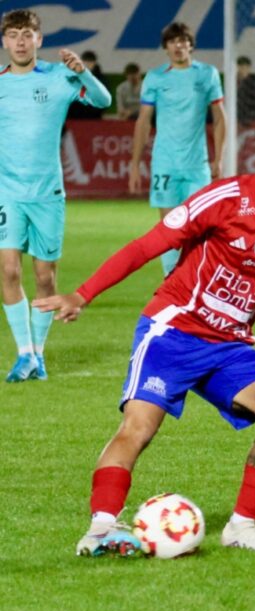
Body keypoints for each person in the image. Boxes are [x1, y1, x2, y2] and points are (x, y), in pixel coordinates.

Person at [34, 118, 255, 557]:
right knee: (139, 426)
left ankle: (242, 526)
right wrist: (83, 294)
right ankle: (101, 528)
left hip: (230, 345)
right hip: (172, 331)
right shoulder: (225, 198)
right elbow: (148, 245)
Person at [0, 9, 111, 383]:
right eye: (12, 34)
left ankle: (39, 354)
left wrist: (82, 72)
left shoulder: (59, 76)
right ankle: (24, 353)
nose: (19, 41)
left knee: (45, 278)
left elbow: (103, 101)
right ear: (4, 41)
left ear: (38, 40)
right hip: (7, 191)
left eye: (26, 34)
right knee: (8, 269)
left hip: (47, 193)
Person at [129, 22, 226, 277]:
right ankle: (171, 281)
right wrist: (134, 162)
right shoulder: (156, 77)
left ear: (191, 45)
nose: (178, 45)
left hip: (197, 166)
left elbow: (219, 118)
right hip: (165, 165)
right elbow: (143, 121)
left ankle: (197, 279)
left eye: (183, 40)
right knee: (170, 227)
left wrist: (219, 158)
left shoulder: (207, 74)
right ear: (166, 47)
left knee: (201, 226)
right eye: (173, 41)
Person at [65, 50, 108, 120]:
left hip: (94, 113)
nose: (88, 64)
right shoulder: (74, 77)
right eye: (85, 61)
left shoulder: (101, 79)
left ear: (94, 63)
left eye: (90, 62)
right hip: (75, 114)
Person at [237, 55, 255, 126]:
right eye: (241, 67)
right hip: (235, 115)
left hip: (248, 118)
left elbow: (254, 102)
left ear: (249, 68)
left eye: (245, 67)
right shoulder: (233, 81)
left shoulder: (253, 82)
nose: (243, 70)